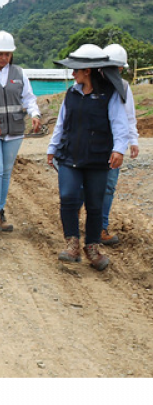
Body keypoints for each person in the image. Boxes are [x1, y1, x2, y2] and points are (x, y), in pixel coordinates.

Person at [47, 45, 129, 272]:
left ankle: (91, 247)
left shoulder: (109, 95)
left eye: (76, 69)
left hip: (97, 158)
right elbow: (61, 123)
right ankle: (72, 243)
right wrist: (52, 147)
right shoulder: (71, 93)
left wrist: (119, 149)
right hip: (69, 154)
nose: (73, 73)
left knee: (94, 204)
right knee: (68, 196)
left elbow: (120, 125)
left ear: (88, 70)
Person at [0, 31, 42, 235]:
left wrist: (35, 114)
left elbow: (29, 98)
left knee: (6, 171)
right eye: (0, 54)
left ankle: (0, 212)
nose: (4, 58)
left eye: (7, 54)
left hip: (14, 131)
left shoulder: (19, 73)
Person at [101, 44, 141, 246]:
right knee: (86, 186)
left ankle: (101, 227)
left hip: (115, 144)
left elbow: (129, 116)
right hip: (93, 143)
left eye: (117, 69)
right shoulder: (91, 83)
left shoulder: (124, 87)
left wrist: (132, 140)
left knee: (108, 186)